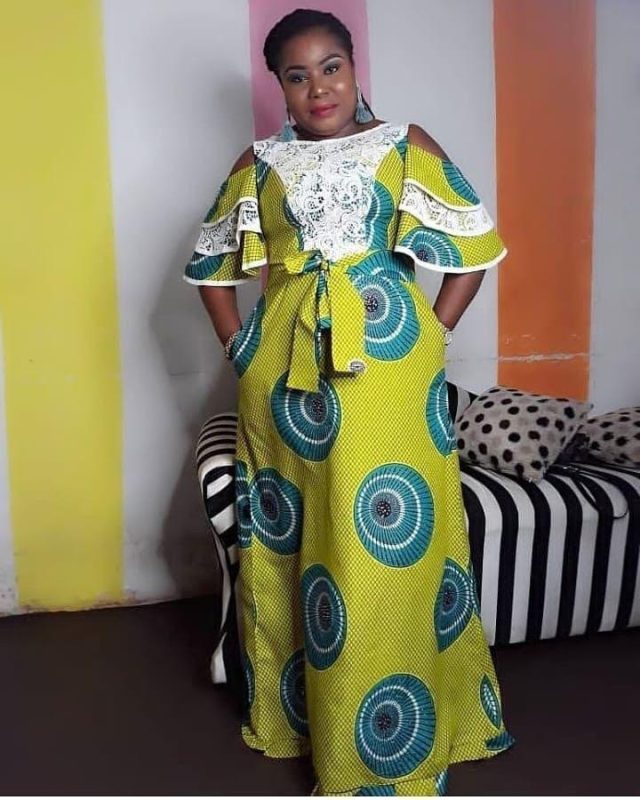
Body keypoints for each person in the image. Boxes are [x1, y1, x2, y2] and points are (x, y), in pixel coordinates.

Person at [184, 8, 514, 796]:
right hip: (287, 386)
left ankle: (394, 744)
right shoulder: (259, 163)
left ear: (353, 67)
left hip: (388, 375)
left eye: (331, 67)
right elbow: (210, 266)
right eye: (297, 75)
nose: (318, 87)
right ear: (279, 86)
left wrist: (431, 337)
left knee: (392, 545)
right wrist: (241, 349)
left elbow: (473, 245)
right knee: (301, 543)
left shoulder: (404, 144)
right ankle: (308, 723)